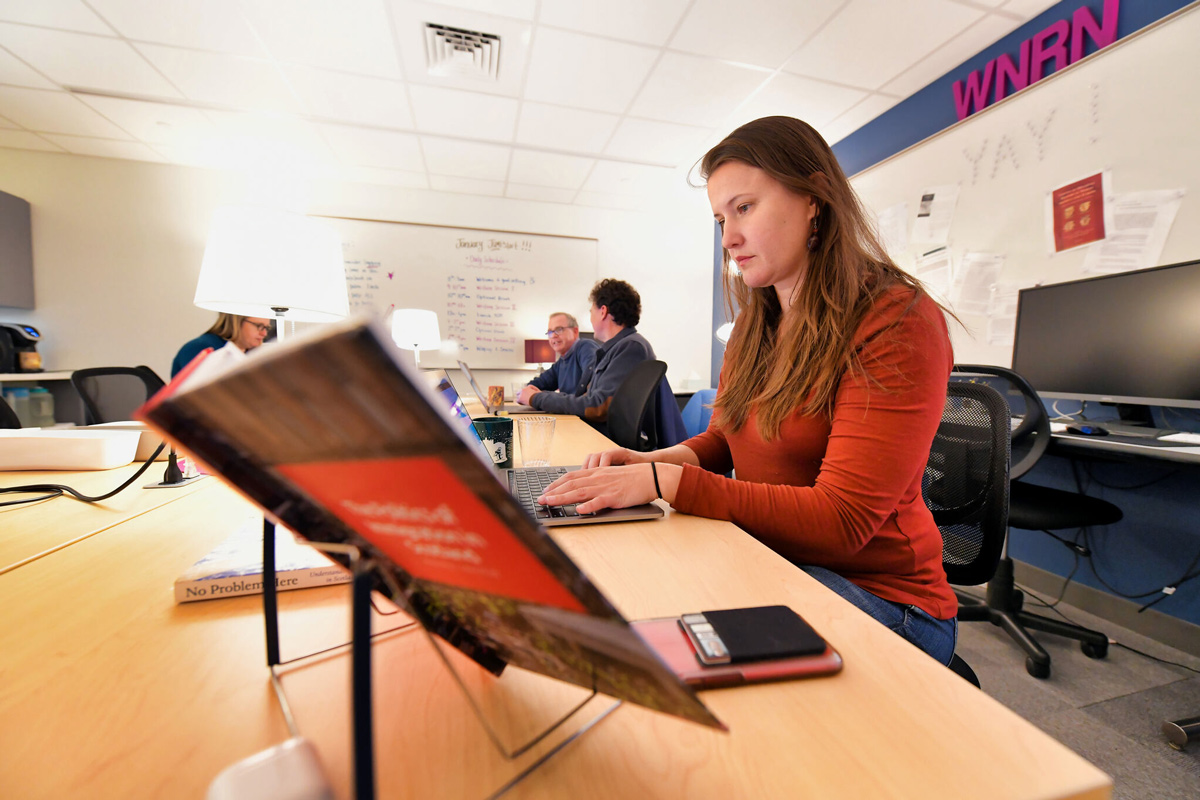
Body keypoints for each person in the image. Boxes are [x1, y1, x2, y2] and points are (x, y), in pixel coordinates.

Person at [538, 116, 958, 664]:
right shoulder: (754, 326)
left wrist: (667, 482)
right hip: (777, 558)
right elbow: (725, 440)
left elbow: (843, 520)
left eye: (745, 208)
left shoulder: (894, 319)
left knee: (671, 652)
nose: (729, 238)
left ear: (814, 197)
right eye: (719, 219)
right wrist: (650, 462)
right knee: (636, 600)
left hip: (886, 600)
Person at [519, 279, 654, 426]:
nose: (590, 318)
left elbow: (597, 406)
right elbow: (589, 400)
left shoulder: (630, 347)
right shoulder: (615, 349)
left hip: (612, 442)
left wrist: (536, 398)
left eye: (591, 312)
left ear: (603, 312)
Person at [517, 312, 599, 400]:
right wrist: (528, 390)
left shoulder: (586, 347)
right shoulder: (561, 361)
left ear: (575, 332)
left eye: (559, 329)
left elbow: (591, 384)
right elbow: (540, 382)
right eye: (550, 332)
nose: (553, 335)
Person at [171, 313, 271, 377]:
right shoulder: (199, 348)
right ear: (235, 320)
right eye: (259, 326)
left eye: (266, 328)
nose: (264, 334)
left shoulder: (255, 354)